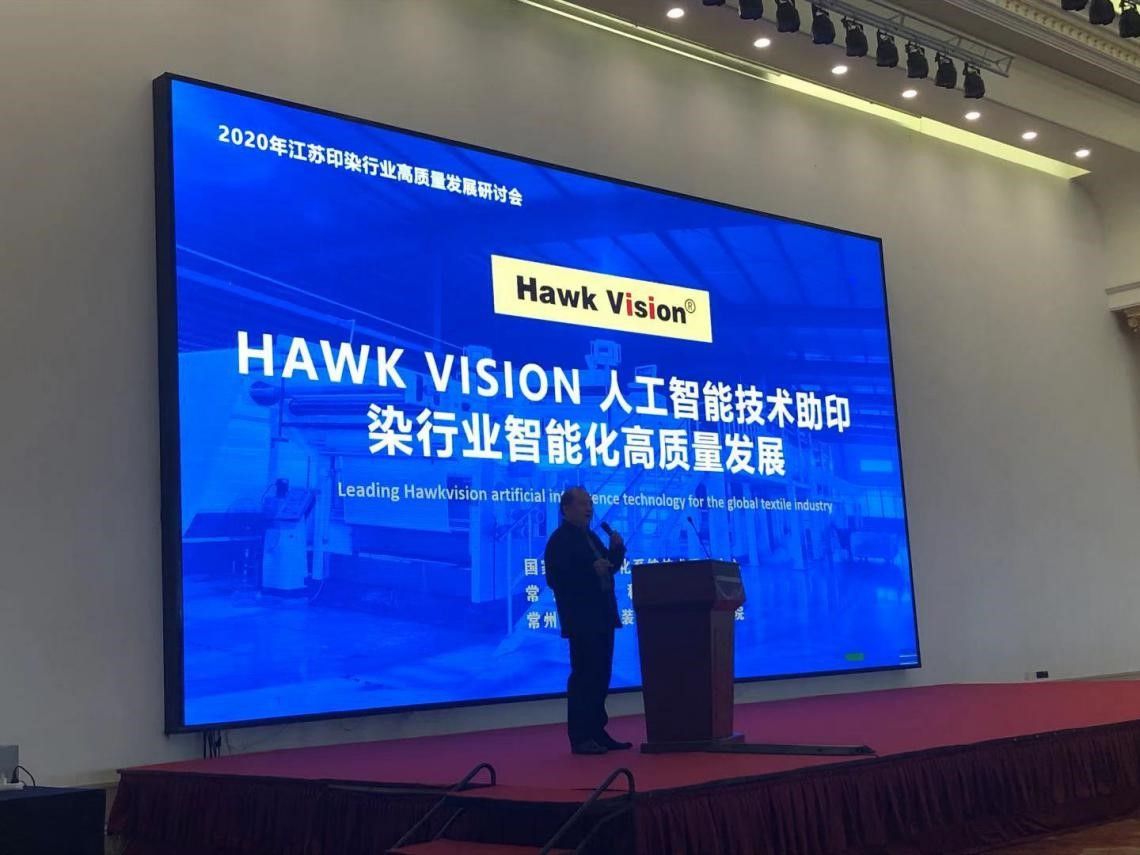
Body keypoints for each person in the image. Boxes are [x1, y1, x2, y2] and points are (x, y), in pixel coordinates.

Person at [544, 486, 632, 755]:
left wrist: (617, 550)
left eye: (590, 503)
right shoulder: (559, 540)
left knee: (601, 675)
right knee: (584, 676)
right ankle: (581, 736)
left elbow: (607, 568)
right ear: (566, 508)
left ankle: (597, 731)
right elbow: (556, 579)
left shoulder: (590, 536)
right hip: (582, 618)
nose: (589, 508)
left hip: (603, 614)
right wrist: (589, 571)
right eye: (583, 504)